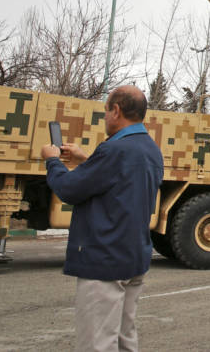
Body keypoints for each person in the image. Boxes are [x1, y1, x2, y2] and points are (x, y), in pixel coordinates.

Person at [39, 85, 163, 352]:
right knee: (123, 339)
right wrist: (87, 159)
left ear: (116, 111)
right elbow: (120, 183)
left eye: (106, 111)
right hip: (133, 257)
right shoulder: (150, 149)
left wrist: (52, 162)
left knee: (96, 343)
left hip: (105, 260)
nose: (105, 117)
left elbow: (69, 190)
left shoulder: (114, 151)